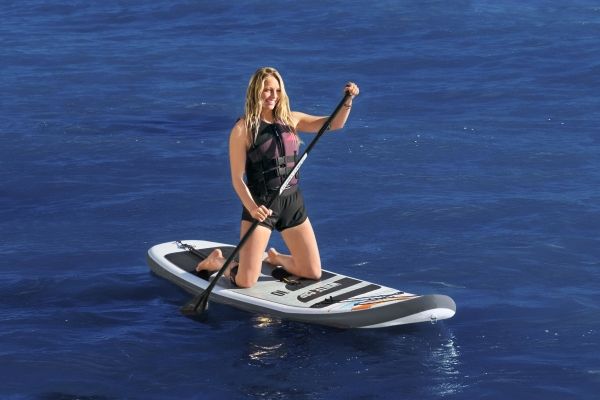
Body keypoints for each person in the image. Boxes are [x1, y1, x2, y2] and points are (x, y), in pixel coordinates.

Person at [196, 67, 359, 288]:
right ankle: (217, 262)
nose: (272, 95)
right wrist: (253, 208)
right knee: (245, 281)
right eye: (267, 90)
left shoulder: (291, 119)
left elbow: (335, 123)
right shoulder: (243, 129)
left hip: (292, 203)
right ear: (256, 91)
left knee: (312, 272)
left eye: (277, 90)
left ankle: (276, 258)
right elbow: (237, 178)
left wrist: (348, 100)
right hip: (262, 205)